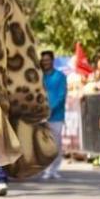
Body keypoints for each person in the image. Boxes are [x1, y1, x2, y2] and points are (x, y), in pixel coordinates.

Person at [40, 50, 67, 180]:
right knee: (45, 145)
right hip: (41, 116)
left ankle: (54, 169)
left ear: (52, 60)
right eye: (43, 60)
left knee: (56, 144)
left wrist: (51, 109)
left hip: (56, 116)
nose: (45, 62)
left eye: (48, 60)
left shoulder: (60, 76)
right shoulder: (39, 77)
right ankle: (47, 170)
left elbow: (62, 95)